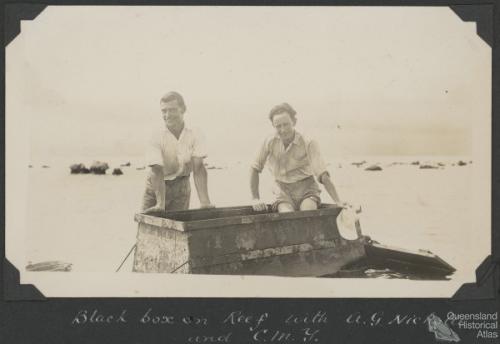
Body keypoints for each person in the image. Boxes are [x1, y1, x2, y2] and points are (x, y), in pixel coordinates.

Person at [250, 102, 345, 213]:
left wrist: (338, 201)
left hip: (307, 188)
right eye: (278, 126)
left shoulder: (308, 141)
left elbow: (323, 175)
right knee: (287, 215)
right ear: (273, 126)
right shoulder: (269, 141)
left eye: (286, 124)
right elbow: (254, 168)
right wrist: (255, 199)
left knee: (307, 213)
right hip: (282, 189)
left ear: (294, 122)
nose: (283, 130)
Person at [142, 91, 213, 213]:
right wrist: (160, 204)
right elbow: (156, 169)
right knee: (147, 229)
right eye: (164, 111)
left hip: (182, 187)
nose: (168, 115)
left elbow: (199, 168)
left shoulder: (196, 133)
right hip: (156, 186)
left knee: (178, 229)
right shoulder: (155, 135)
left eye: (172, 110)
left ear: (183, 109)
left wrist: (205, 202)